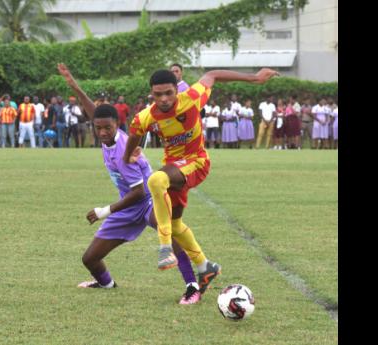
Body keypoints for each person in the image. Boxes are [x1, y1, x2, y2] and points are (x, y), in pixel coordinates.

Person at [123, 67, 279, 291]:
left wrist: (254, 78)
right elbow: (135, 134)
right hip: (175, 169)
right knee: (175, 223)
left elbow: (212, 75)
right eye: (158, 95)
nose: (164, 99)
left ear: (177, 89)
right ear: (151, 94)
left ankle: (165, 247)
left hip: (196, 162)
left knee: (156, 180)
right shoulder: (145, 117)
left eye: (168, 93)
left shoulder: (192, 98)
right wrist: (129, 154)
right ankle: (205, 266)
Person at [57, 63, 201, 304]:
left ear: (117, 125)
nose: (102, 132)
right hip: (127, 207)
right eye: (98, 128)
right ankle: (106, 283)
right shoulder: (106, 131)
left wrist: (104, 211)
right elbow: (95, 112)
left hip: (146, 201)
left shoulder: (124, 149)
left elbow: (138, 193)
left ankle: (192, 286)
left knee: (169, 232)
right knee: (90, 259)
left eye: (107, 128)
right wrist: (74, 86)